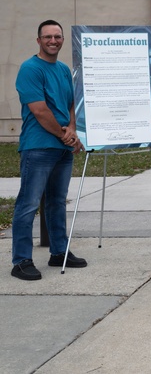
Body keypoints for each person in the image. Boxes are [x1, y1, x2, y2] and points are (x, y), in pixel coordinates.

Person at [11, 20, 87, 281]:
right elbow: (39, 110)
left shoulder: (64, 69)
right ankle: (21, 260)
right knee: (28, 204)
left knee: (56, 203)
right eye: (47, 37)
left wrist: (73, 130)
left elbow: (70, 104)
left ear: (62, 39)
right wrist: (65, 135)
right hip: (38, 146)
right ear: (38, 40)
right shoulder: (30, 69)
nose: (53, 41)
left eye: (57, 36)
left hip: (62, 147)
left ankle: (59, 253)